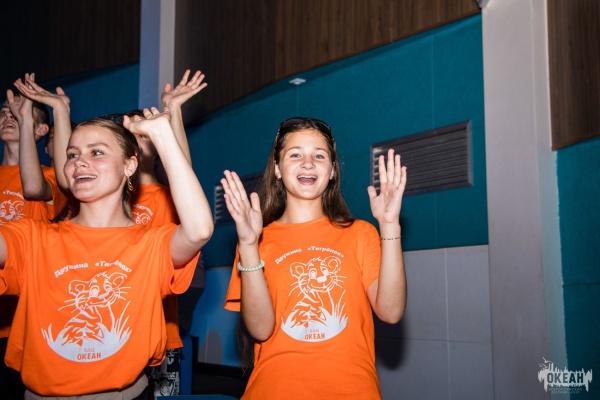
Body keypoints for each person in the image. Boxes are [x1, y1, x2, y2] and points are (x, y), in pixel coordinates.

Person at [0, 107, 214, 398]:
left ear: (129, 166)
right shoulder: (31, 236)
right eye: (72, 154)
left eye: (96, 152)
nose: (79, 162)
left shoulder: (149, 243)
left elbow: (199, 230)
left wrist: (163, 134)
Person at [221, 117, 408, 400]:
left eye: (319, 156)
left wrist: (390, 225)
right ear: (277, 169)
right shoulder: (256, 239)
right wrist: (248, 245)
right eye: (295, 154)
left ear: (332, 171)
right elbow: (260, 330)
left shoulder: (361, 233)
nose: (308, 163)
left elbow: (391, 312)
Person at [129, 69, 207, 396]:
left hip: (162, 316)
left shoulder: (168, 194)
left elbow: (182, 167)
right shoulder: (110, 199)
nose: (138, 140)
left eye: (145, 134)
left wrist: (173, 110)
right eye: (132, 134)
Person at [0, 85, 67, 400]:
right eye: (4, 112)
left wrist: (24, 118)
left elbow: (31, 188)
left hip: (23, 315)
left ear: (41, 129)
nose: (9, 116)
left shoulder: (54, 177)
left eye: (18, 114)